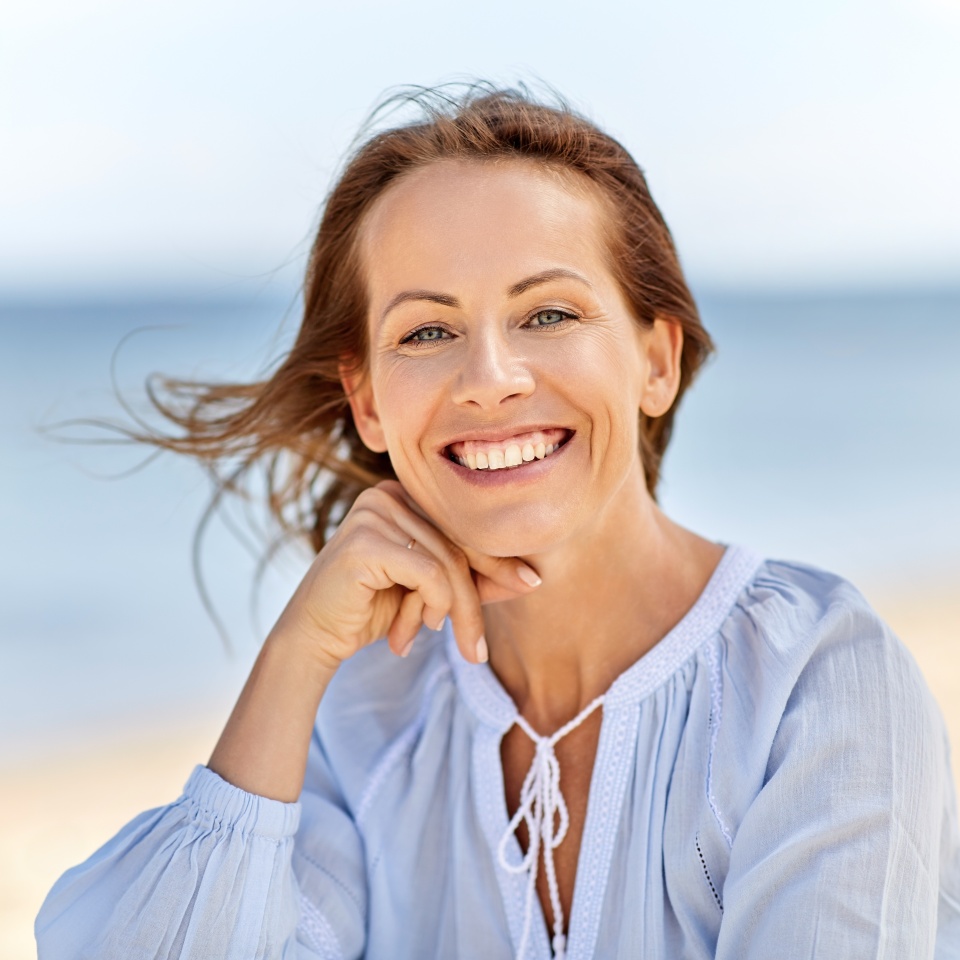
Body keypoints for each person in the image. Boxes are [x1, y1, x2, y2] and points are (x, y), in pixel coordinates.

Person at [36, 85, 960, 959]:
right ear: (365, 401)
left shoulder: (818, 676)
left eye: (548, 312)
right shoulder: (362, 713)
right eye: (426, 333)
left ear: (656, 361)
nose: (489, 377)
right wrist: (294, 661)